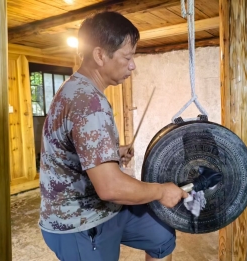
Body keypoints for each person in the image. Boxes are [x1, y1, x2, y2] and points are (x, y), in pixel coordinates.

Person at [38, 11, 188, 261]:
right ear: (99, 55)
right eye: (127, 57)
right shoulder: (88, 102)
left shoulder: (77, 88)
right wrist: (161, 191)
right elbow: (110, 187)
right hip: (79, 221)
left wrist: (113, 152)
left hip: (103, 208)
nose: (133, 65)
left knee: (161, 235)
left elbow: (73, 147)